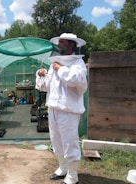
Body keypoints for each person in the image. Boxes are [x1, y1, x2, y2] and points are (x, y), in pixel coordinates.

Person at [35, 33, 87, 184]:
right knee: (56, 140)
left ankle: (73, 175)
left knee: (70, 141)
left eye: (63, 42)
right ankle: (62, 168)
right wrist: (41, 75)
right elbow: (46, 87)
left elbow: (74, 80)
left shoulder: (78, 63)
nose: (59, 45)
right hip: (53, 108)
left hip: (69, 110)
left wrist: (59, 69)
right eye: (59, 42)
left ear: (71, 45)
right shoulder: (54, 64)